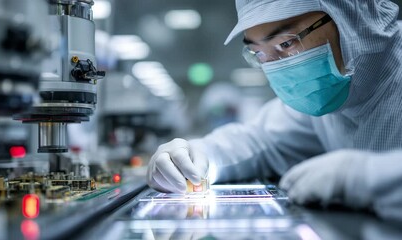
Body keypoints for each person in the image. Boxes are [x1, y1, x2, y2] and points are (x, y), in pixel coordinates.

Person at [147, 0, 402, 222]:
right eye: (258, 52)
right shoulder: (327, 100)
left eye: (287, 43)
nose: (276, 67)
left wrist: (365, 177)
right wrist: (198, 156)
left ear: (349, 17)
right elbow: (258, 141)